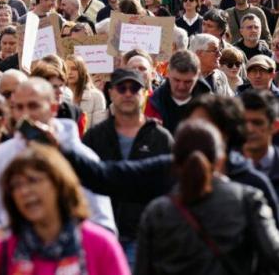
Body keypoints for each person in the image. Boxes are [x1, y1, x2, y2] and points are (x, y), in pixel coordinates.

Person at [0, 77, 116, 239]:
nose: (25, 114)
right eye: (19, 107)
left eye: (33, 106)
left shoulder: (82, 157)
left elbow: (103, 222)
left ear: (53, 108)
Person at [135, 119, 279, 274]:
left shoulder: (156, 212)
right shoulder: (248, 199)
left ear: (175, 162)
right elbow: (273, 254)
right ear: (220, 160)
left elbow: (143, 269)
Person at [82, 69, 174, 265]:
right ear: (111, 93)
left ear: (145, 94)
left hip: (146, 234)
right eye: (122, 88)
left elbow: (172, 189)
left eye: (134, 89)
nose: (128, 94)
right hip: (104, 231)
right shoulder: (95, 137)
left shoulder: (160, 137)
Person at [0, 144, 130, 275]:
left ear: (59, 184)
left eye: (33, 180)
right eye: (16, 185)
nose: (24, 191)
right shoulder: (3, 251)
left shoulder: (99, 244)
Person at [146, 50, 211, 134]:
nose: (181, 86)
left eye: (188, 82)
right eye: (176, 80)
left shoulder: (209, 105)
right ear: (168, 73)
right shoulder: (153, 103)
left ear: (198, 75)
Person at [241, 89, 279, 194]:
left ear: (274, 126)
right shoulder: (225, 169)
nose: (249, 129)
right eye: (243, 123)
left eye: (257, 123)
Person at [65, 55, 107, 126]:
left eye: (74, 69)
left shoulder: (96, 96)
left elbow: (98, 128)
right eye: (66, 69)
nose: (69, 72)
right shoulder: (60, 95)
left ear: (82, 71)